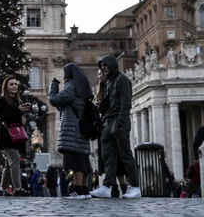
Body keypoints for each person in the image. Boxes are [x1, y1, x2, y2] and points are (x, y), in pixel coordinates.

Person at [90, 55, 141, 198]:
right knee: (108, 156)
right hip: (108, 121)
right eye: (101, 67)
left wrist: (121, 123)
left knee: (125, 155)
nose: (103, 69)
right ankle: (106, 186)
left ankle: (135, 186)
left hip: (118, 121)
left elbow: (126, 103)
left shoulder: (122, 80)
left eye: (105, 66)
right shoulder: (109, 82)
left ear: (112, 65)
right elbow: (108, 104)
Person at [48, 63, 93, 199]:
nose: (63, 75)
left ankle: (77, 190)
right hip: (80, 129)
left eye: (64, 73)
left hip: (71, 130)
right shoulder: (81, 86)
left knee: (75, 161)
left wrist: (53, 85)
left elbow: (54, 99)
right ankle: (84, 189)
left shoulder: (71, 86)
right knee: (83, 161)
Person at [0, 75, 31, 196]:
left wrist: (22, 119)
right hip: (7, 135)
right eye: (11, 84)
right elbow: (4, 117)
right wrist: (18, 111)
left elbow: (15, 117)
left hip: (16, 135)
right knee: (15, 159)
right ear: (6, 87)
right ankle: (18, 188)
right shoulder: (2, 100)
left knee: (9, 164)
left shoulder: (17, 101)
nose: (14, 86)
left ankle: (2, 189)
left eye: (16, 84)